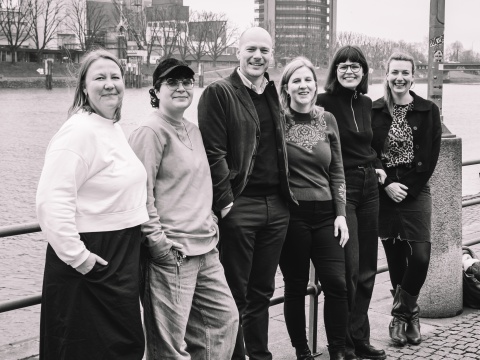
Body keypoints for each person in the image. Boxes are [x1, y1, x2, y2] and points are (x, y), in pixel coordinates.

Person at [36, 49, 149, 360]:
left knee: (122, 345)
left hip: (121, 252)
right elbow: (50, 200)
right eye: (99, 77)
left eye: (115, 77)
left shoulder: (109, 127)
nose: (110, 83)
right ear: (84, 88)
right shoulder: (78, 131)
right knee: (85, 347)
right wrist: (79, 257)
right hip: (93, 256)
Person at [128, 58, 238, 359]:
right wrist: (158, 244)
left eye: (186, 82)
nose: (181, 88)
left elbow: (199, 183)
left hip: (206, 249)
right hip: (172, 255)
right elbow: (140, 194)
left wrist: (211, 218)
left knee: (223, 321)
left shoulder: (193, 129)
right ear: (157, 90)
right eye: (171, 83)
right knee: (169, 347)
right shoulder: (149, 132)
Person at [198, 27, 295, 360]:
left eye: (265, 51)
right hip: (241, 205)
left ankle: (260, 354)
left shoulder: (272, 91)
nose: (258, 56)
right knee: (234, 293)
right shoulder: (219, 92)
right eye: (251, 49)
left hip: (276, 207)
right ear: (237, 52)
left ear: (272, 54)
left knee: (263, 292)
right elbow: (213, 152)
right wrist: (226, 204)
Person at [316, 45, 387, 360]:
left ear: (363, 72)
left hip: (370, 184)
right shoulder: (321, 102)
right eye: (343, 66)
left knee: (369, 269)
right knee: (349, 268)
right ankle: (341, 343)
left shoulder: (366, 102)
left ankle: (360, 338)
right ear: (335, 70)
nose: (349, 70)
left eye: (355, 66)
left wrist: (379, 165)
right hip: (342, 187)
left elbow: (369, 144)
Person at [278, 57, 349, 360]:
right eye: (296, 80)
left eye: (308, 80)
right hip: (293, 214)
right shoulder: (278, 120)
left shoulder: (328, 119)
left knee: (336, 284)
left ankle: (337, 350)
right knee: (295, 285)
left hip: (326, 216)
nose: (303, 85)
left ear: (315, 85)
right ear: (286, 88)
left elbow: (338, 171)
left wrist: (342, 214)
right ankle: (302, 351)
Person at [371, 52, 442, 347]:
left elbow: (430, 155)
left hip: (415, 190)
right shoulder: (373, 110)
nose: (399, 77)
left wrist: (406, 188)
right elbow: (368, 151)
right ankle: (408, 320)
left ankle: (401, 314)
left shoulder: (427, 110)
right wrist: (387, 184)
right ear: (386, 75)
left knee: (421, 256)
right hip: (383, 191)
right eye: (394, 72)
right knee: (396, 258)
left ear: (414, 76)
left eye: (405, 72)